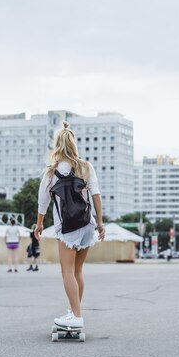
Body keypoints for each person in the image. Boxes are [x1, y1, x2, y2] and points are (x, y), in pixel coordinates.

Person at [35, 121, 106, 330]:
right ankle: (75, 311)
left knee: (66, 272)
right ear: (74, 144)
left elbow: (43, 203)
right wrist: (100, 224)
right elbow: (96, 197)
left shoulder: (51, 172)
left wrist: (39, 225)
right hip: (87, 226)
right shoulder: (85, 167)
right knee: (77, 272)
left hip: (67, 228)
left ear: (57, 145)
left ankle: (76, 316)